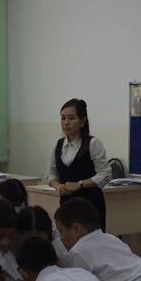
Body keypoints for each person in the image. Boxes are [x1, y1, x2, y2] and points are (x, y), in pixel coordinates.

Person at [47, 98, 109, 231]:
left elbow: (105, 174)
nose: (66, 123)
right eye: (63, 118)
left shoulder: (92, 143)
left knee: (91, 241)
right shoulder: (57, 145)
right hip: (67, 205)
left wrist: (80, 184)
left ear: (82, 121)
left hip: (90, 206)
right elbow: (51, 173)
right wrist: (58, 186)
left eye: (71, 118)